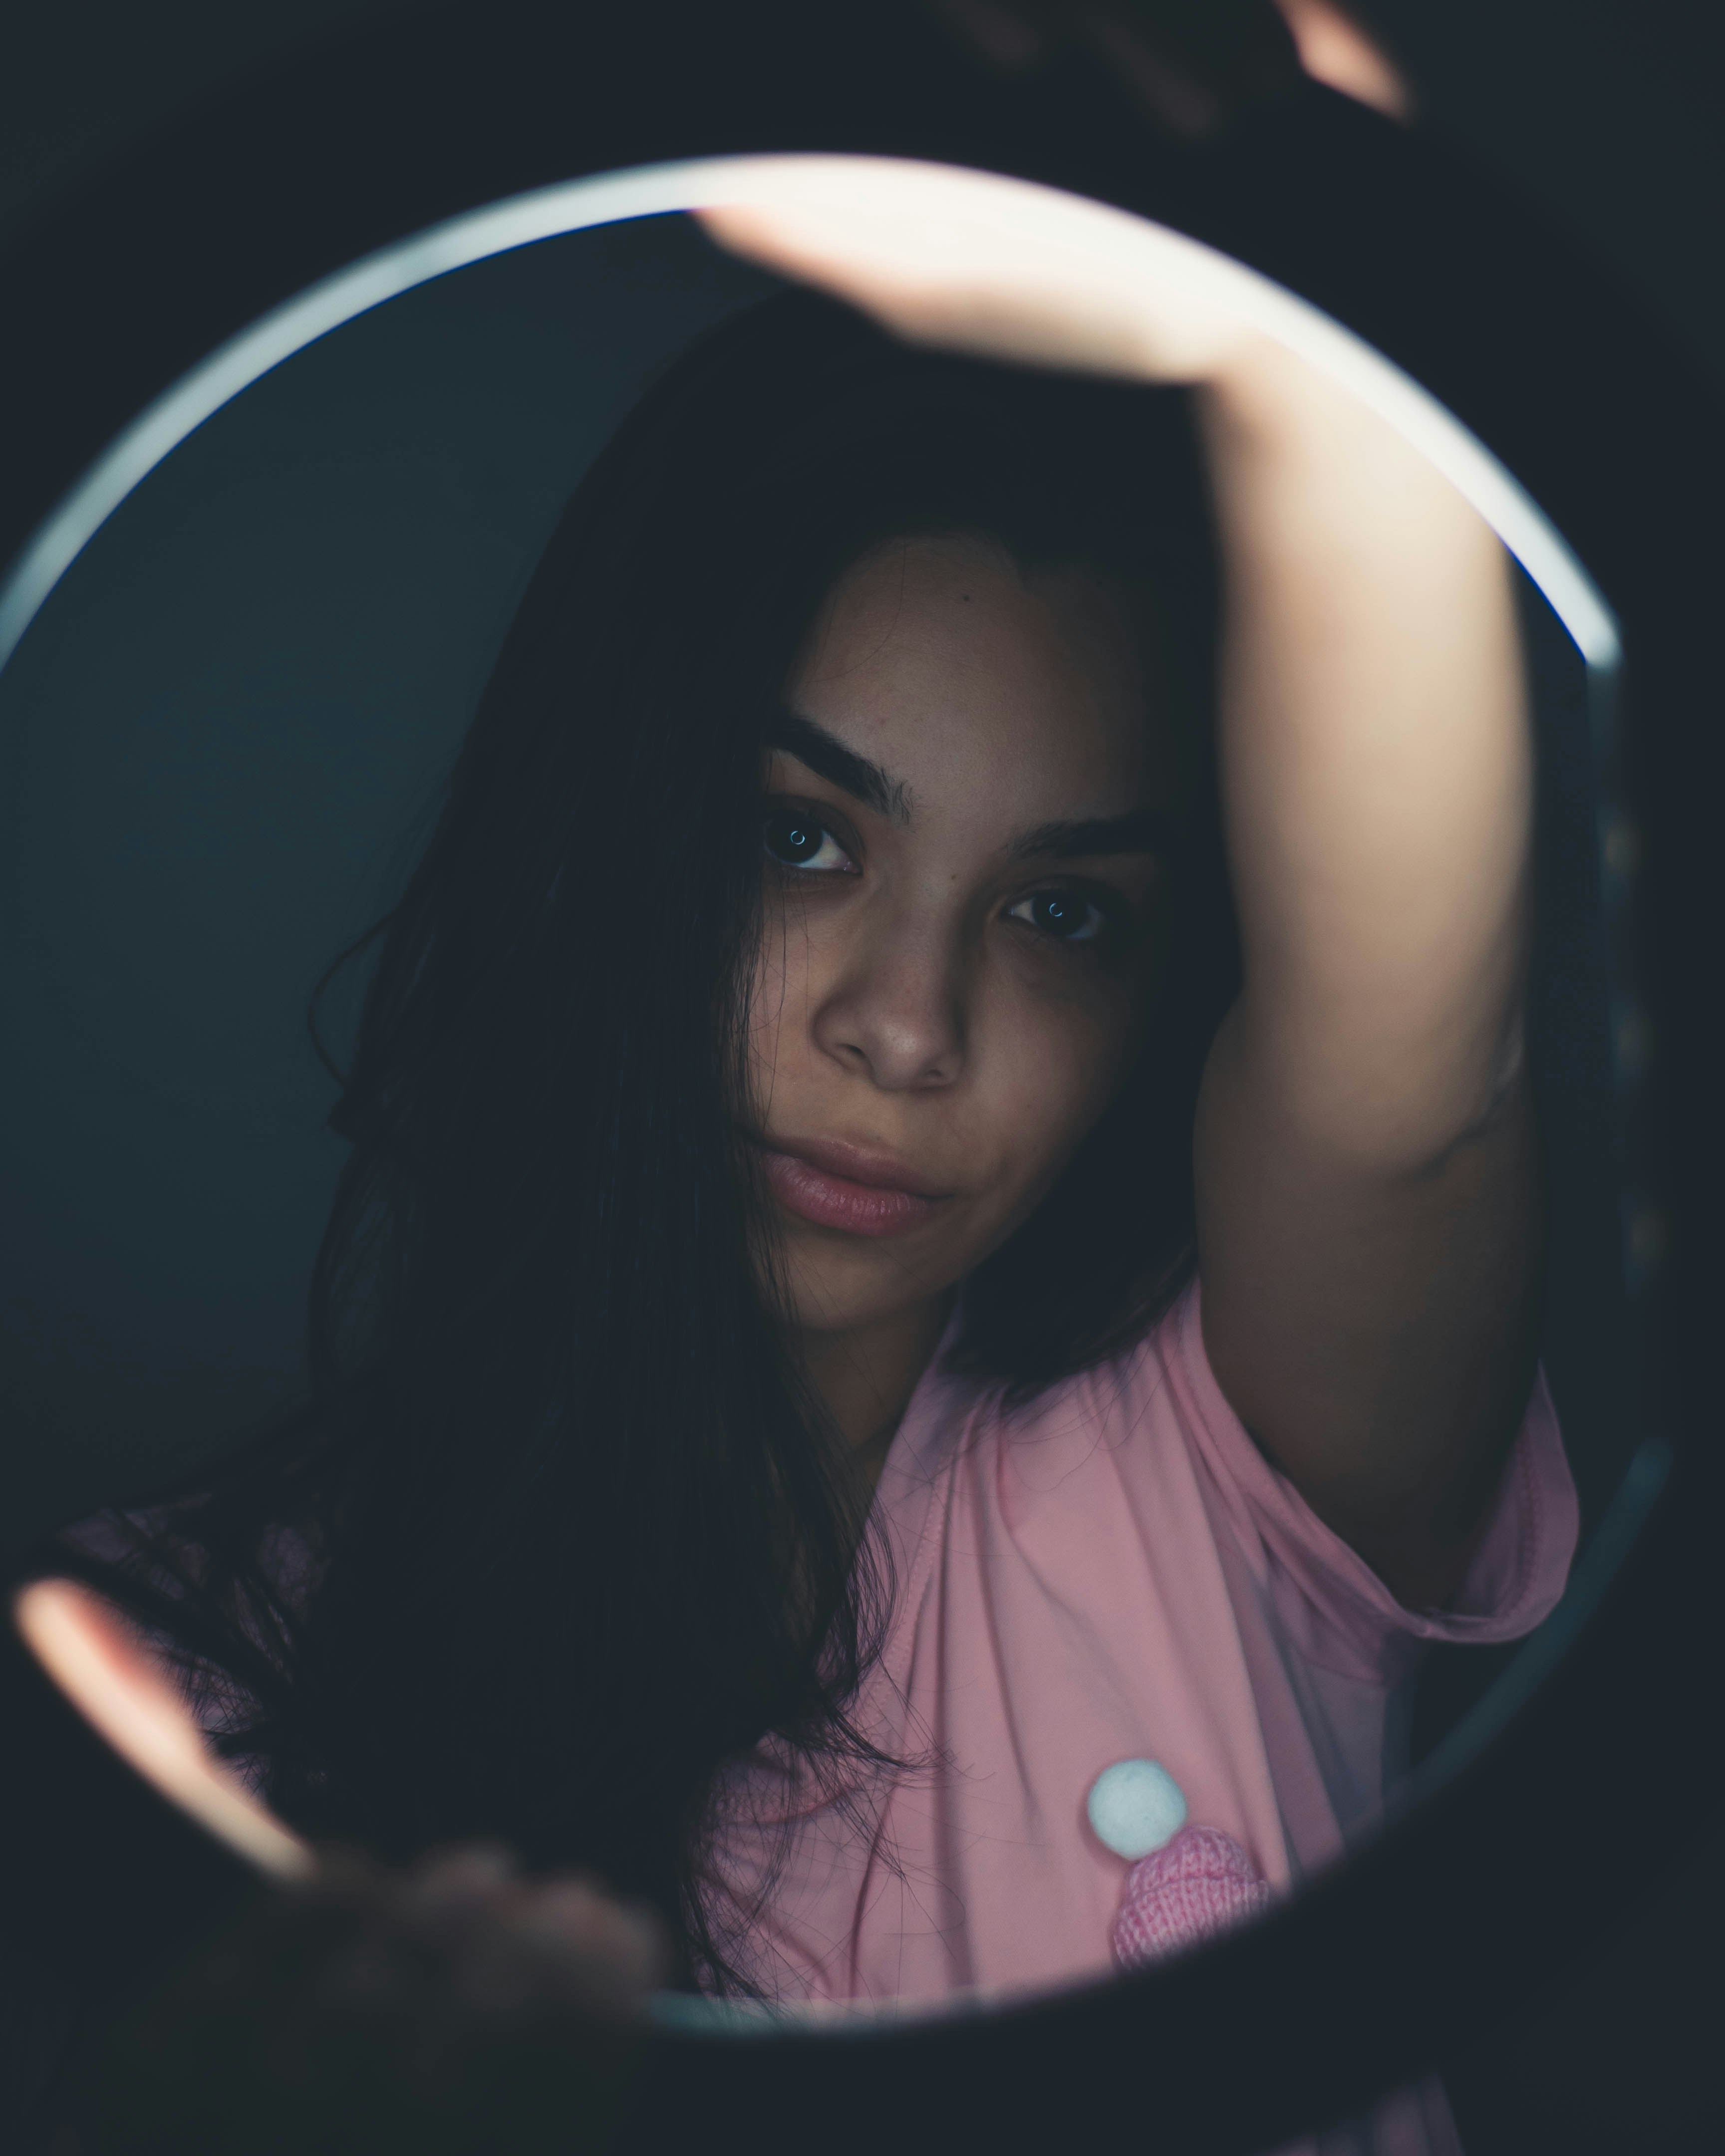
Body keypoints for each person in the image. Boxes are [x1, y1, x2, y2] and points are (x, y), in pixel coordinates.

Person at [39, 193, 1574, 2149]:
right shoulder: (190, 1664)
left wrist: (1295, 347)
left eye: (1059, 915)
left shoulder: (1233, 1480)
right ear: (615, 832)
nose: (906, 1028)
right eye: (801, 839)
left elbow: (1415, 1088)